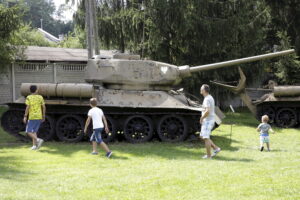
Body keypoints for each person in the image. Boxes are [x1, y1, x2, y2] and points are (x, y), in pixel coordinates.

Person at [199, 84, 221, 159]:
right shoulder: (208, 97)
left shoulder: (207, 99)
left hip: (208, 120)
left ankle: (209, 156)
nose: (200, 90)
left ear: (204, 90)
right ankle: (216, 148)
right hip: (208, 120)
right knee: (202, 136)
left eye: (201, 89)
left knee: (206, 137)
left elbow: (207, 111)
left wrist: (202, 118)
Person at [23, 85, 45, 150]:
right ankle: (34, 146)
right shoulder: (40, 97)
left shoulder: (28, 97)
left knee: (28, 131)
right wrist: (43, 116)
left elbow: (27, 107)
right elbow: (44, 107)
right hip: (39, 116)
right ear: (36, 90)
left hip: (32, 117)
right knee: (34, 131)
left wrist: (25, 116)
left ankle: (38, 140)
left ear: (30, 90)